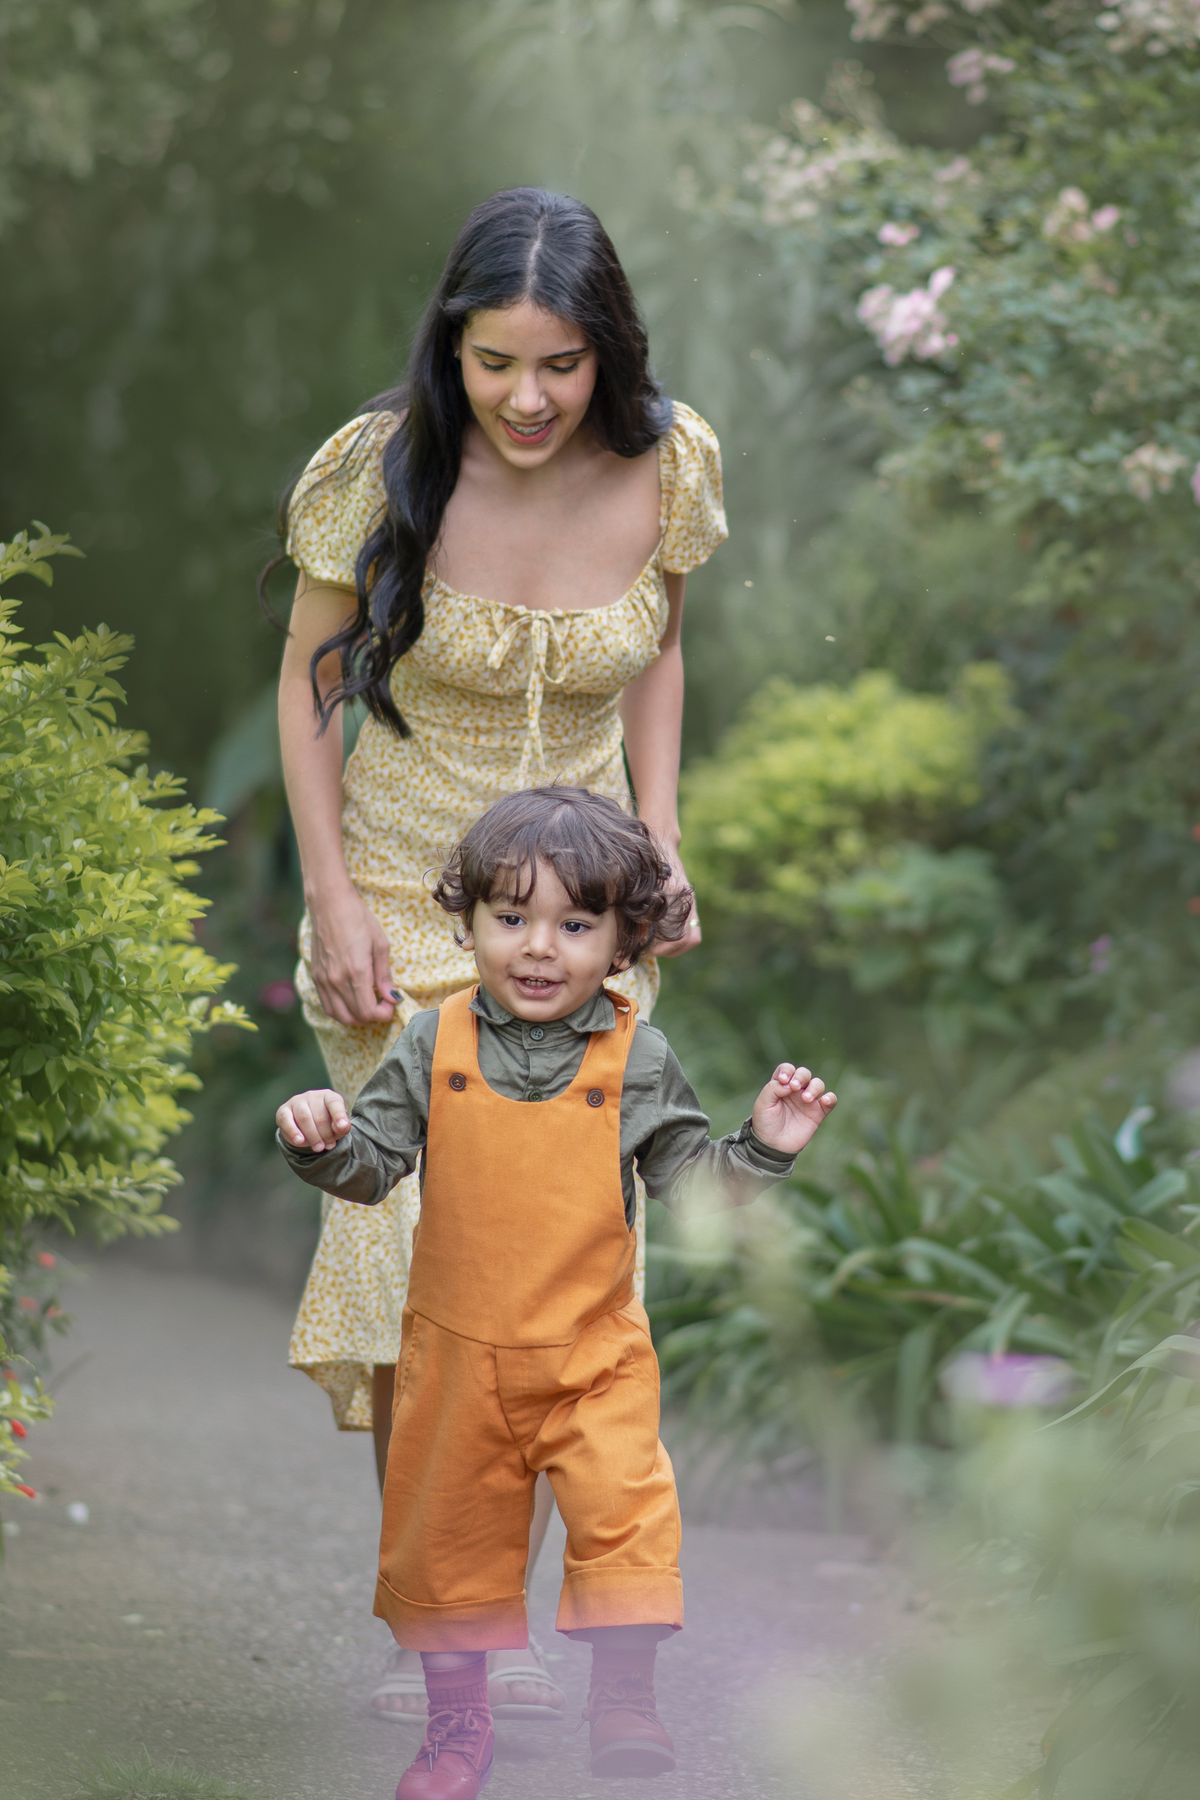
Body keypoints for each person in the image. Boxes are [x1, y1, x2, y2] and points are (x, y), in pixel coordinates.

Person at [268, 186, 727, 1723]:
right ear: (450, 348)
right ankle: (453, 1633)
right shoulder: (377, 464)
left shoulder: (671, 464)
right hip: (401, 911)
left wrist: (660, 839)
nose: (527, 399)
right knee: (423, 1266)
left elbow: (661, 650)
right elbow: (307, 685)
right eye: (494, 363)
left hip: (579, 921)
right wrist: (331, 895)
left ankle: (495, 1625)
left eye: (560, 366)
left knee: (551, 1274)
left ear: (609, 353)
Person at [276, 787, 838, 1795]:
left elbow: (688, 1186)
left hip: (593, 1355)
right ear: (468, 923)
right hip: (458, 1355)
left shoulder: (639, 1056)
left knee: (627, 1512)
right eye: (511, 917)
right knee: (447, 1545)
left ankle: (623, 1696)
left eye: (575, 925)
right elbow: (373, 1166)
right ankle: (457, 1730)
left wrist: (763, 1147)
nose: (538, 947)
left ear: (625, 943)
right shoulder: (431, 1042)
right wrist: (322, 1143)